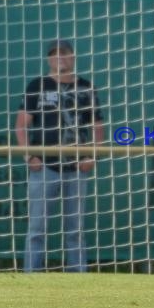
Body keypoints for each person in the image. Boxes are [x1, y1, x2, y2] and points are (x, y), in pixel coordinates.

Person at [15, 39, 104, 272]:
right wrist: (28, 157)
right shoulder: (37, 85)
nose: (59, 58)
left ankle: (78, 279)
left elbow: (97, 126)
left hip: (76, 167)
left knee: (75, 230)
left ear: (73, 57)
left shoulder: (86, 87)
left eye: (64, 54)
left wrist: (92, 156)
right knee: (37, 229)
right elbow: (21, 125)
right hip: (44, 167)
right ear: (48, 59)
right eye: (54, 55)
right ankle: (30, 277)